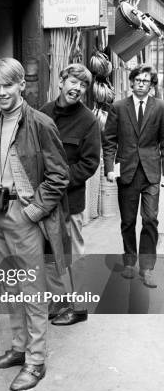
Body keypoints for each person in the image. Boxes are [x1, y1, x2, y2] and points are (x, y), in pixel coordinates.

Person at [0, 57, 70, 391]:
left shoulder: (40, 123)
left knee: (32, 290)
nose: (1, 92)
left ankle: (35, 361)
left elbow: (60, 175)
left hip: (24, 214)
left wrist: (33, 212)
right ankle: (18, 349)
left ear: (21, 86)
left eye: (7, 85)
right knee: (11, 288)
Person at [41, 63, 101, 325]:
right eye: (73, 82)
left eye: (83, 85)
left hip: (70, 200)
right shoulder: (42, 113)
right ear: (61, 81)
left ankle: (80, 307)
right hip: (42, 199)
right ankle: (59, 300)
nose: (77, 88)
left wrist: (59, 181)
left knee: (73, 253)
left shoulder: (88, 121)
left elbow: (89, 163)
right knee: (47, 254)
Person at [103, 64, 164, 288]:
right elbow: (109, 140)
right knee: (128, 221)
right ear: (131, 82)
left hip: (151, 173)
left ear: (151, 84)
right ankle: (129, 262)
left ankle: (147, 268)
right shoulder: (119, 107)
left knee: (150, 219)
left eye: (145, 81)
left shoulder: (160, 107)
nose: (140, 84)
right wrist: (110, 167)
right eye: (137, 80)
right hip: (127, 171)